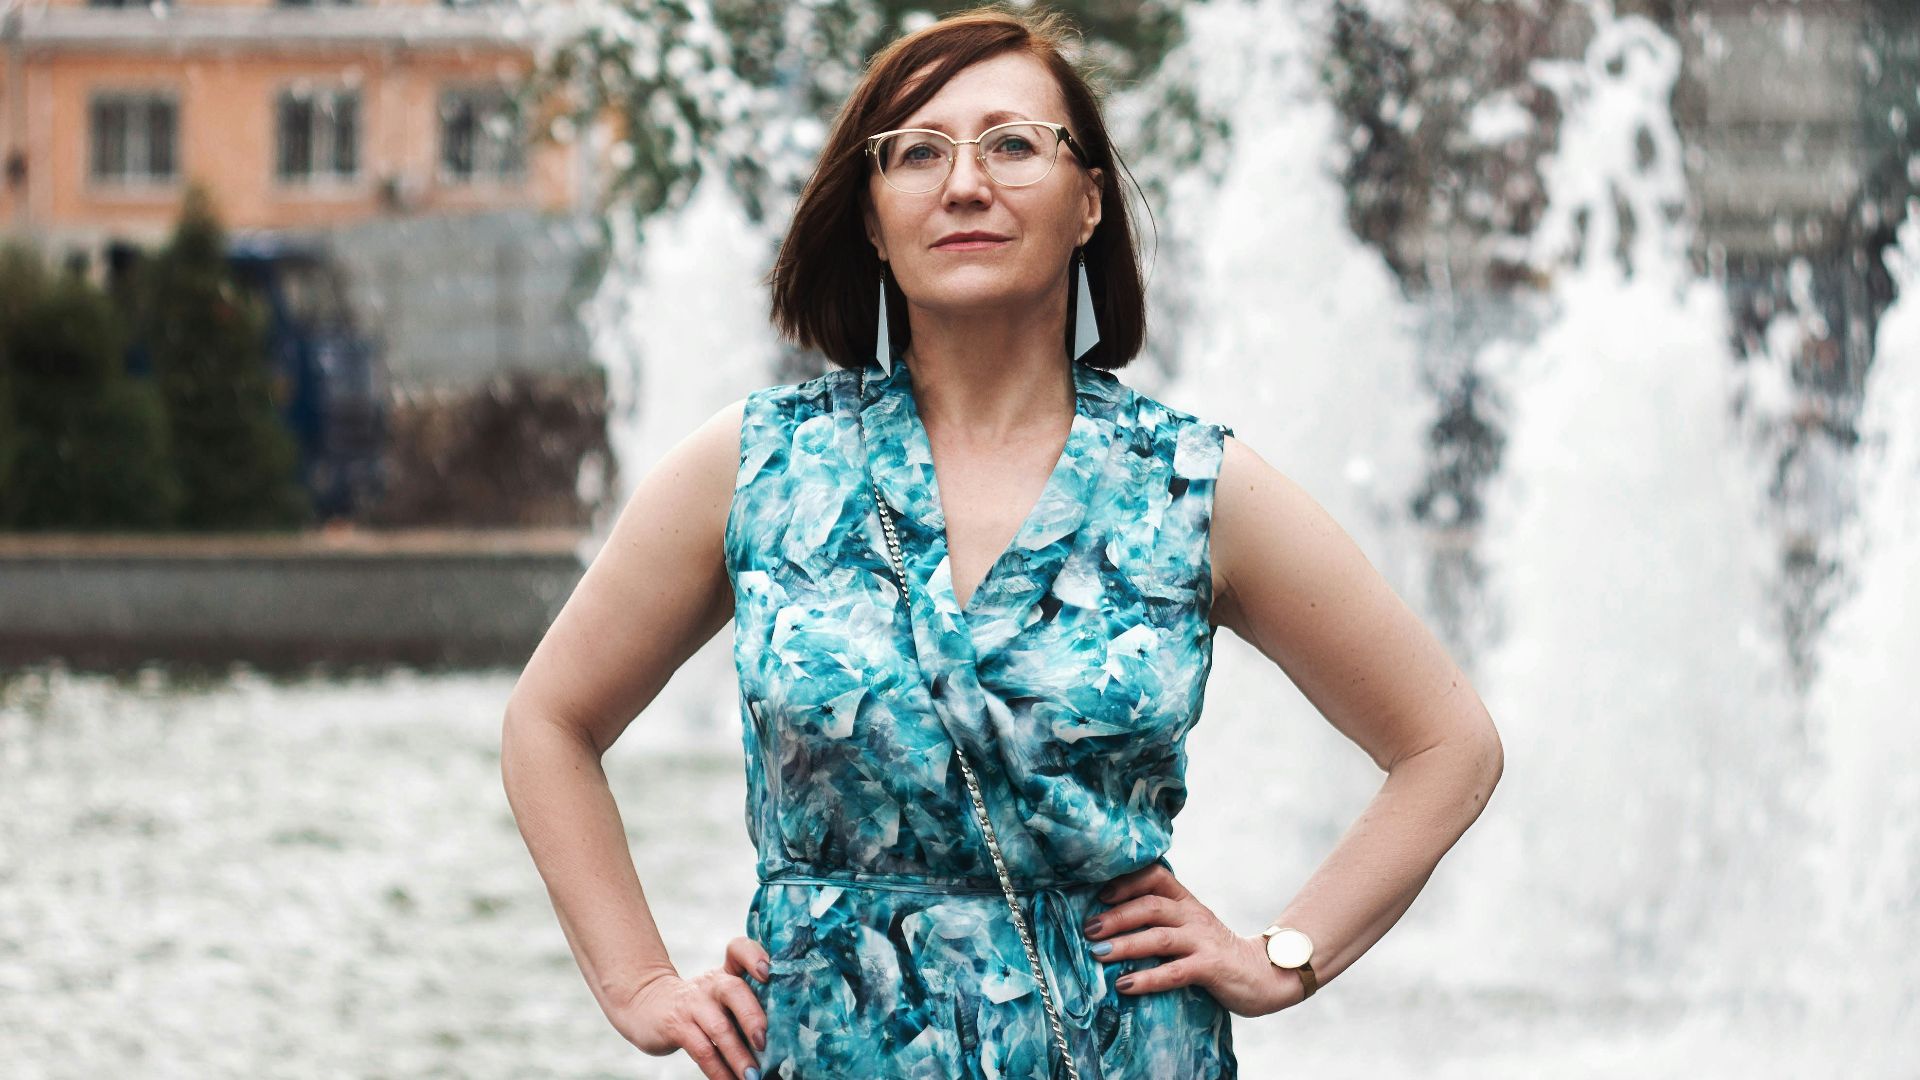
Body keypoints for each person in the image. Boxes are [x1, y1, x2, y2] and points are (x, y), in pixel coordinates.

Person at [500, 6, 1505, 1079]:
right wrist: (641, 984)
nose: (964, 183)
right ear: (874, 220)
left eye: (1013, 145)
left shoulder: (1192, 488)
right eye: (918, 153)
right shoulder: (755, 468)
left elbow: (1448, 746)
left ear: (1088, 202)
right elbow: (549, 723)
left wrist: (1282, 956)